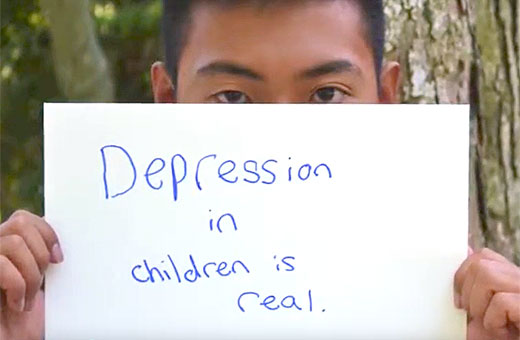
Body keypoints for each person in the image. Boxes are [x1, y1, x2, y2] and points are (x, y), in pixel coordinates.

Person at [1, 1, 519, 339]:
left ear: (386, 97)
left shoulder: (463, 315)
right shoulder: (84, 310)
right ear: (167, 99)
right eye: (233, 97)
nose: (280, 144)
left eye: (324, 95)